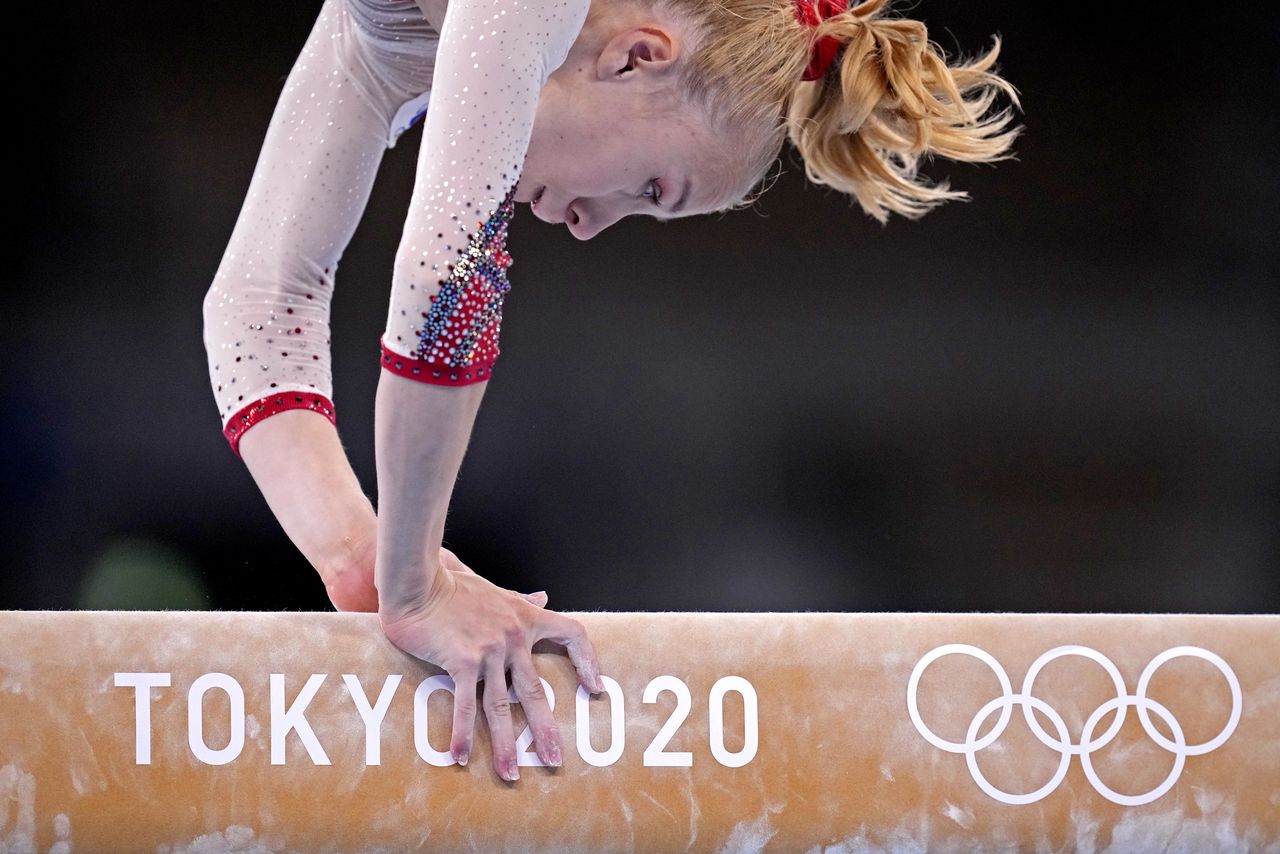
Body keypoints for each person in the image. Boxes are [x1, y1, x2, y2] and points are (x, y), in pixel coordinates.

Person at [202, 0, 1022, 783]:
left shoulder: (397, 36)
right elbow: (448, 273)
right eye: (653, 189)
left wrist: (358, 557)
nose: (594, 226)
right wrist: (415, 587)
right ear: (638, 57)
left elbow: (258, 304)